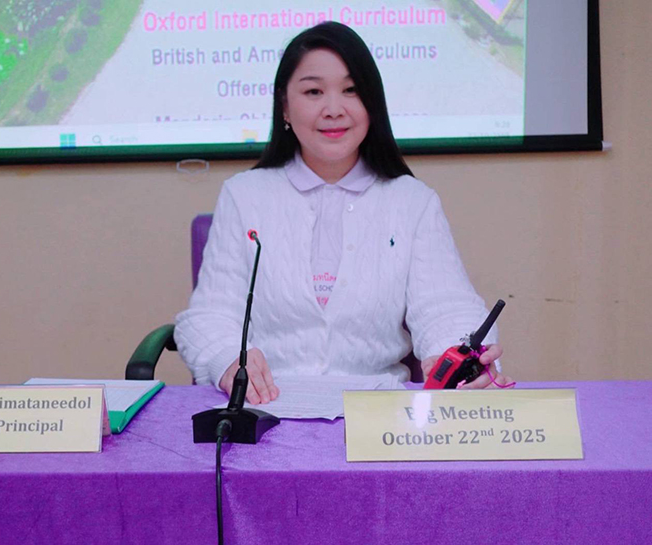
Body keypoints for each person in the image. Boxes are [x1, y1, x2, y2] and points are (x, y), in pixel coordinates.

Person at [174, 22, 512, 404]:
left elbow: (445, 307)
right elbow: (210, 316)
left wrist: (458, 358)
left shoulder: (412, 201)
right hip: (266, 408)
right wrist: (226, 359)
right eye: (313, 92)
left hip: (377, 411)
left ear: (372, 103)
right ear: (284, 106)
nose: (334, 110)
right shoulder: (244, 196)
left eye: (351, 90)